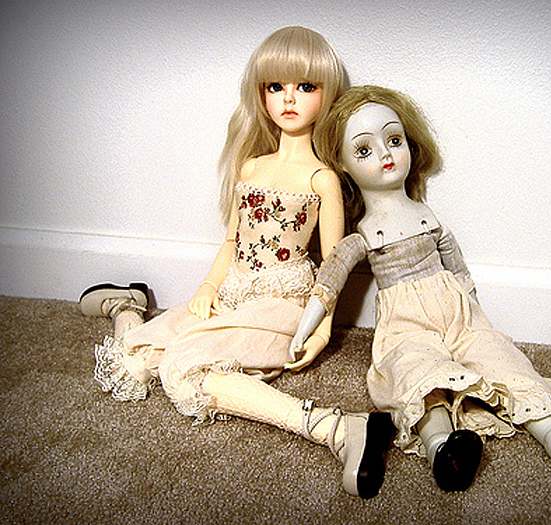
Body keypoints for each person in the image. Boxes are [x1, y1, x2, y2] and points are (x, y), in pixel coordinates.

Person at [79, 29, 393, 499]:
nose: (289, 98)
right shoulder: (251, 167)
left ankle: (334, 428)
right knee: (133, 361)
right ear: (260, 94)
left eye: (306, 86)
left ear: (326, 94)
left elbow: (333, 264)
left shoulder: (321, 178)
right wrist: (207, 288)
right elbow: (232, 240)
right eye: (276, 86)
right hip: (232, 291)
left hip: (284, 305)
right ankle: (126, 306)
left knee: (185, 368)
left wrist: (323, 328)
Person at [289, 85, 551, 492]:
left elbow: (456, 267)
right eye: (364, 149)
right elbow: (330, 278)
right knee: (419, 374)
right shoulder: (364, 234)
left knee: (502, 360)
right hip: (406, 327)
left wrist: (473, 312)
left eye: (394, 140)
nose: (386, 154)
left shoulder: (427, 216)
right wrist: (305, 328)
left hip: (459, 316)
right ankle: (444, 450)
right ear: (344, 166)